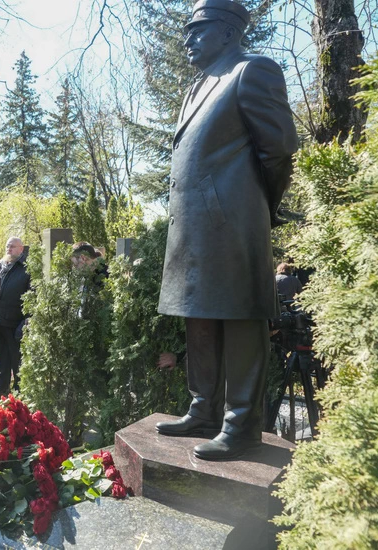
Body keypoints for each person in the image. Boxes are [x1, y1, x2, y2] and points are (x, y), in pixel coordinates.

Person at [155, 0, 299, 460]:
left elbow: (279, 150)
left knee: (239, 318)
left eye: (199, 30)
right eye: (187, 31)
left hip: (234, 222)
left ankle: (241, 425)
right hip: (194, 227)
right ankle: (203, 409)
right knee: (199, 315)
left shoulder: (252, 71)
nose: (188, 39)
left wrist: (256, 207)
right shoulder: (197, 86)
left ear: (229, 32)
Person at [0, 237, 30, 397]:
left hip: (15, 320)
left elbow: (32, 293)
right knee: (1, 355)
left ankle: (19, 389)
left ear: (21, 249)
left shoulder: (26, 268)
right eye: (7, 246)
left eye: (12, 246)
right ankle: (0, 386)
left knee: (16, 357)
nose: (9, 249)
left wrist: (28, 317)